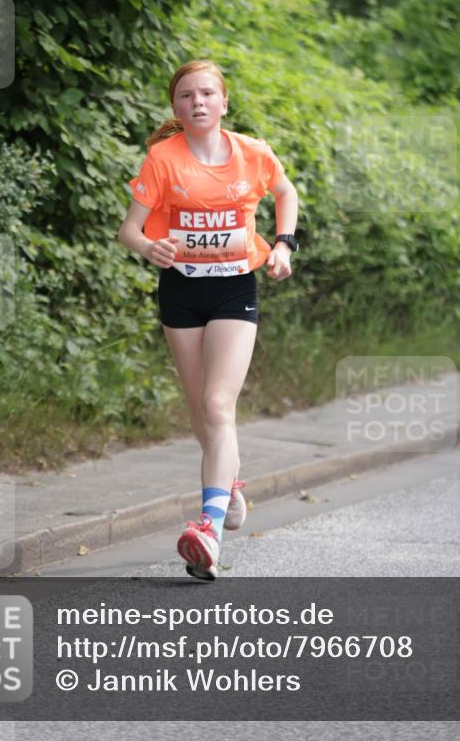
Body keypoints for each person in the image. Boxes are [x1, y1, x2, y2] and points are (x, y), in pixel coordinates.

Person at [117, 59, 299, 580]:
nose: (195, 102)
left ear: (223, 103)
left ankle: (208, 530)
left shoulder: (254, 154)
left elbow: (285, 193)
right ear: (175, 107)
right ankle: (232, 485)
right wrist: (151, 247)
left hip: (234, 289)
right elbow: (129, 230)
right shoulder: (162, 158)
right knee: (202, 411)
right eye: (184, 96)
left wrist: (283, 244)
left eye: (205, 94)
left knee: (220, 403)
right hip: (180, 291)